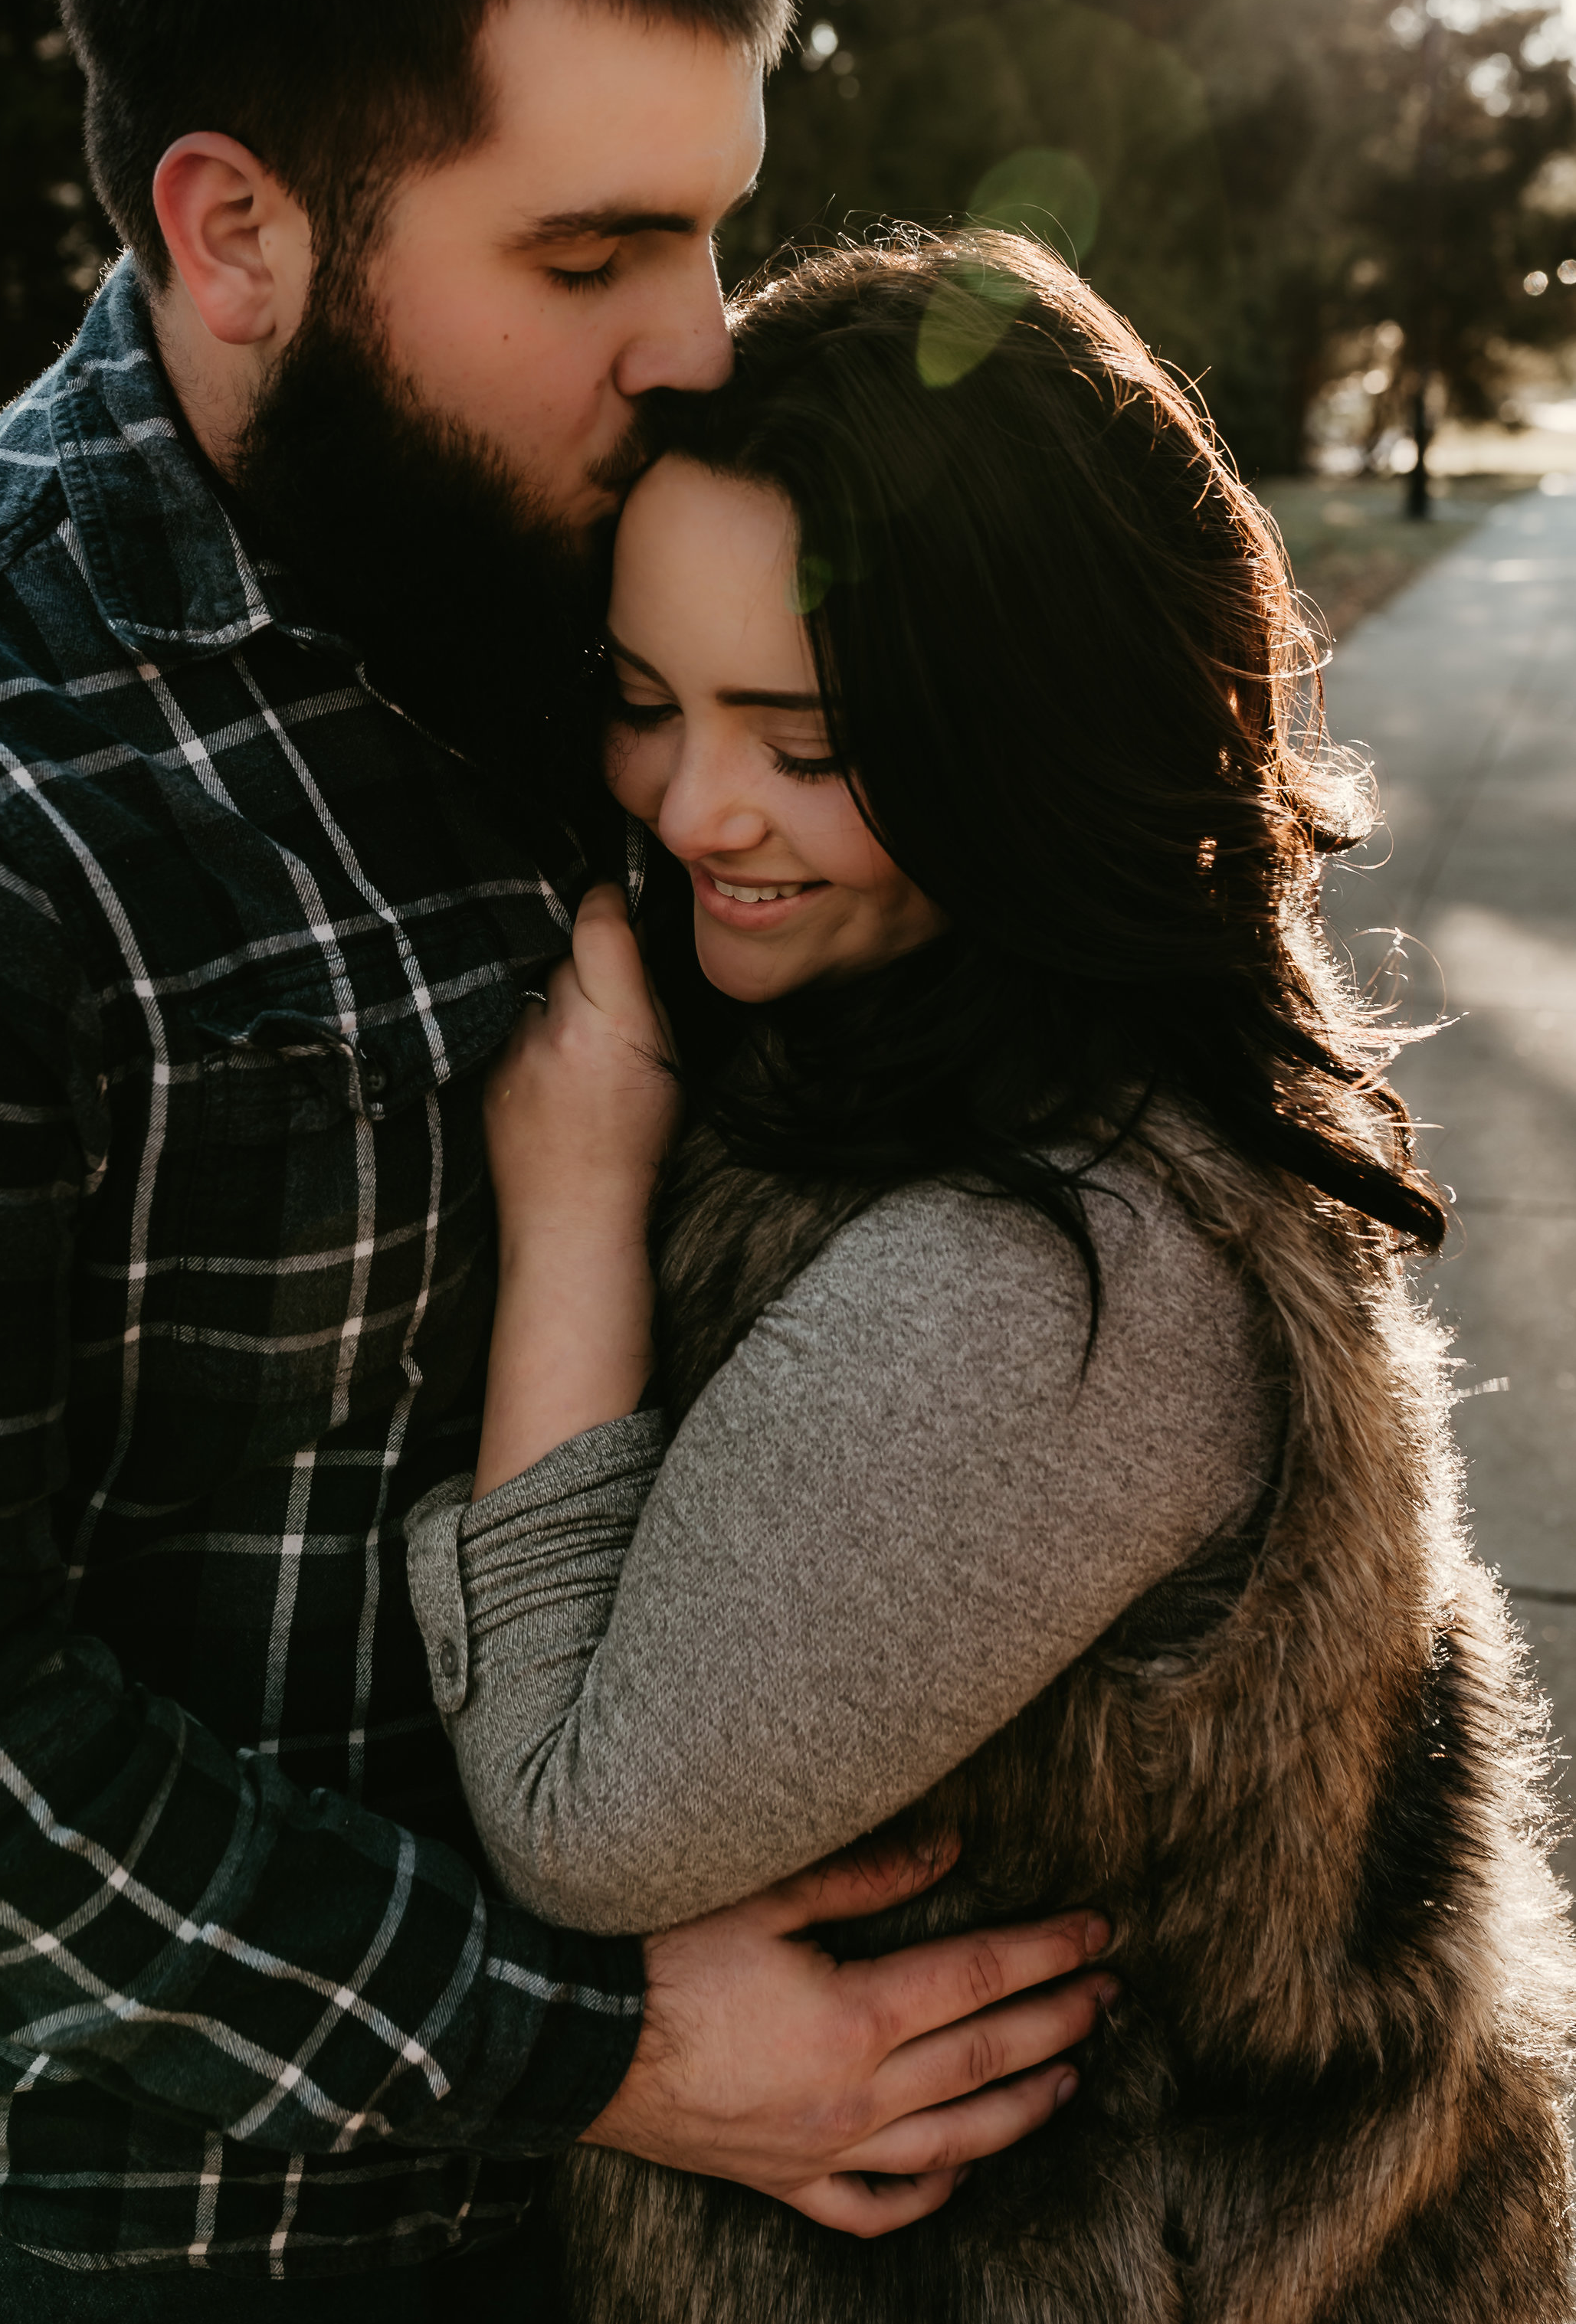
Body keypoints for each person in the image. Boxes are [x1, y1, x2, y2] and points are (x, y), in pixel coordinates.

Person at [0, 0, 1113, 2318]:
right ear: (234, 228)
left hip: (690, 2184)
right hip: (161, 2232)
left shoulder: (585, 558)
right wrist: (592, 2035)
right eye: (588, 248)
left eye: (713, 216)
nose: (696, 336)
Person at [405, 232, 1576, 2322]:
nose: (694, 808)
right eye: (645, 701)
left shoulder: (1046, 1273)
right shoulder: (951, 1025)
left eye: (805, 736)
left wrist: (571, 1187)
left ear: (1026, 732)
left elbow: (580, 1817)